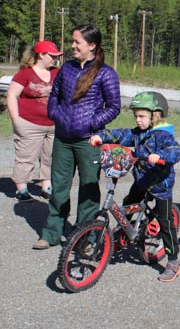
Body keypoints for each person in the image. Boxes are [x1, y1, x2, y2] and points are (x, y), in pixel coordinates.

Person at [33, 24, 120, 250]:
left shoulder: (106, 72)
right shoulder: (67, 68)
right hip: (63, 138)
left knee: (89, 190)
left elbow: (114, 107)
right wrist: (56, 114)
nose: (72, 46)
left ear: (91, 46)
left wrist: (91, 122)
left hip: (89, 141)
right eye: (72, 41)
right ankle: (52, 233)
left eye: (77, 42)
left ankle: (85, 237)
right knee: (59, 187)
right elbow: (55, 95)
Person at [89, 91, 180, 282]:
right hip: (142, 180)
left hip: (160, 185)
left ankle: (174, 261)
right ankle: (125, 233)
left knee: (165, 223)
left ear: (155, 115)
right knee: (128, 203)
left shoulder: (163, 135)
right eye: (136, 116)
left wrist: (162, 157)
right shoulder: (138, 133)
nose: (138, 120)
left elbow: (175, 150)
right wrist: (100, 136)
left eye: (142, 116)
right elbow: (120, 134)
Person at [7, 41, 62, 202]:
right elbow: (12, 95)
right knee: (26, 156)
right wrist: (16, 120)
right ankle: (21, 188)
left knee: (50, 156)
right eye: (52, 56)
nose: (54, 59)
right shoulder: (25, 74)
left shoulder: (56, 72)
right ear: (41, 55)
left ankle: (46, 186)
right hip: (29, 123)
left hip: (53, 124)